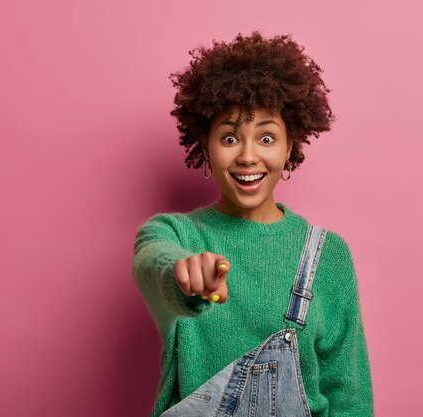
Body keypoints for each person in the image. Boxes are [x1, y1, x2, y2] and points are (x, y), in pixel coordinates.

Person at [131, 31, 374, 416]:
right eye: (229, 138)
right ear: (206, 146)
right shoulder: (176, 235)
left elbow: (348, 395)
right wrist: (184, 276)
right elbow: (152, 262)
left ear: (289, 146)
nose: (247, 156)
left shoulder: (327, 254)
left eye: (266, 137)